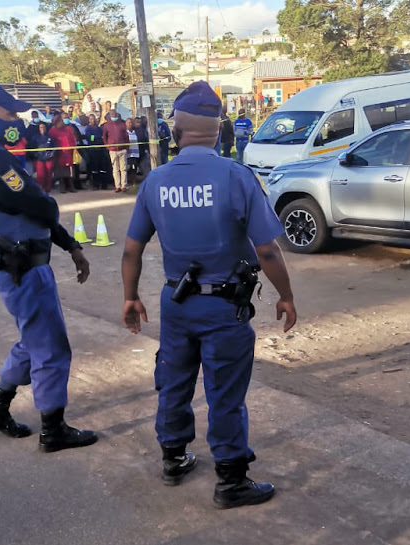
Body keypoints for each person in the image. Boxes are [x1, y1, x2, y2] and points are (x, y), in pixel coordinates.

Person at [121, 80, 297, 509]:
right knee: (225, 392)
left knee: (174, 382)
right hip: (224, 307)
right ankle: (231, 480)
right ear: (219, 130)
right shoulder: (237, 177)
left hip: (175, 303)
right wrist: (286, 296)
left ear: (174, 130)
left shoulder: (156, 181)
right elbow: (268, 249)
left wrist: (130, 297)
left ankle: (174, 457)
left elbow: (131, 248)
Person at [0, 79, 97, 452]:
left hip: (17, 263)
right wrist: (49, 208)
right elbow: (39, 206)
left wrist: (71, 246)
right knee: (51, 347)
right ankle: (54, 429)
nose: (17, 121)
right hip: (24, 269)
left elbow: (35, 211)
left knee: (32, 339)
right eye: (10, 114)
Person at [48, 113, 77, 193]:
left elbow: (72, 139)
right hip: (59, 154)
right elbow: (51, 141)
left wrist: (73, 148)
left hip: (68, 152)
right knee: (60, 171)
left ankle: (71, 186)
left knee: (70, 170)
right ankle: (62, 186)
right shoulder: (53, 130)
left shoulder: (68, 129)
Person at [102, 108, 129, 193]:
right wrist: (107, 146)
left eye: (115, 114)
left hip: (122, 149)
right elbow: (104, 137)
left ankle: (124, 185)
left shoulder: (122, 124)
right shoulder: (106, 126)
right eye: (112, 115)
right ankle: (117, 186)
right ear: (110, 116)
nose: (114, 116)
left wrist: (127, 147)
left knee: (123, 168)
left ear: (117, 115)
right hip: (113, 150)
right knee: (115, 169)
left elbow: (126, 136)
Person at [32, 122, 56, 194]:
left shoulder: (50, 137)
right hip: (39, 158)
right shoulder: (35, 137)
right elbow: (31, 147)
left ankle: (48, 189)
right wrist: (35, 155)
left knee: (49, 174)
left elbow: (55, 146)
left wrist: (51, 154)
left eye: (44, 127)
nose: (43, 129)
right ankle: (40, 189)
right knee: (40, 175)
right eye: (41, 127)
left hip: (48, 158)